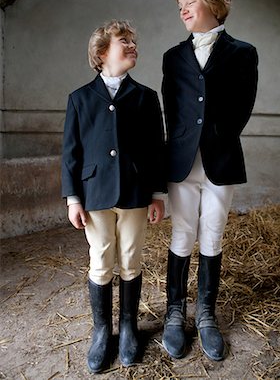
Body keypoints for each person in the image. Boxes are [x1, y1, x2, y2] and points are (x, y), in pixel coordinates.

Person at [161, 0, 258, 362]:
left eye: (190, 0)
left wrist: (213, 138)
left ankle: (205, 314)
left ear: (215, 3)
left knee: (212, 235)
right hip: (181, 163)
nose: (183, 8)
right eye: (179, 3)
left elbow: (242, 107)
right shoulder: (174, 57)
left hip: (220, 160)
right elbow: (173, 111)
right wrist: (181, 146)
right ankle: (173, 313)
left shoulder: (242, 52)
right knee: (182, 234)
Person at [61, 20, 166, 373]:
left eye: (135, 41)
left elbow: (156, 150)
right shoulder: (79, 98)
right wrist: (73, 198)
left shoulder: (147, 97)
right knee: (101, 258)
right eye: (125, 41)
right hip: (94, 194)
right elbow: (70, 154)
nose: (133, 45)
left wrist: (156, 193)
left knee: (131, 258)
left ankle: (128, 327)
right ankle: (102, 330)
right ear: (103, 52)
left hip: (136, 191)